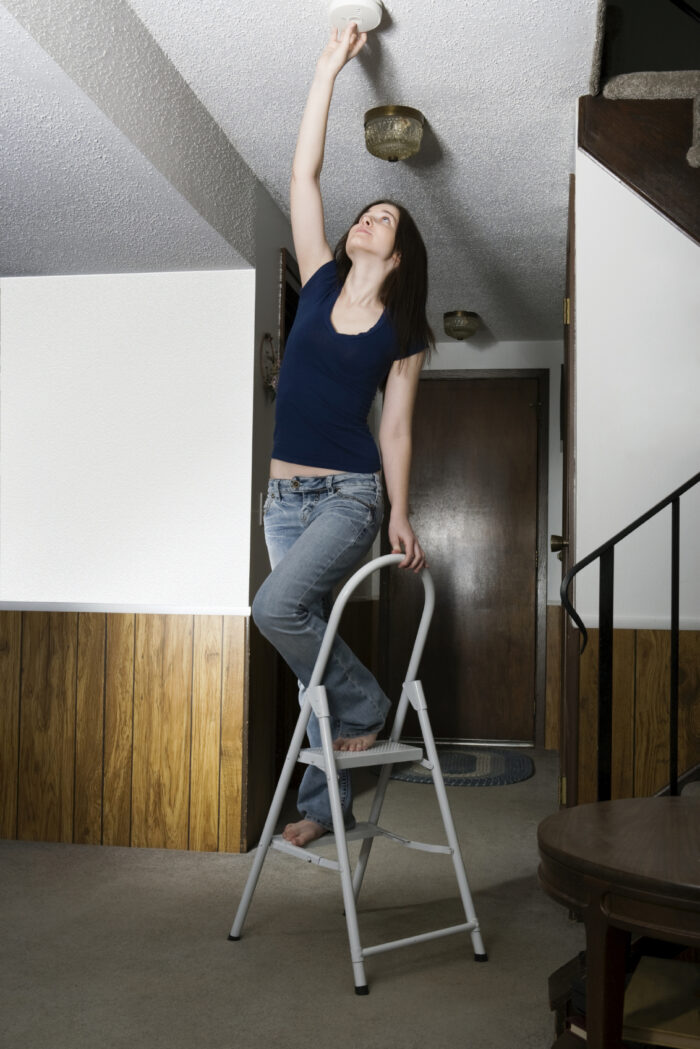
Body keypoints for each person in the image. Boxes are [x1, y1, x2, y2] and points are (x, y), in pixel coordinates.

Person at [252, 21, 434, 848]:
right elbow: (304, 171)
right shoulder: (320, 278)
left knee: (276, 608)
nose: (367, 219)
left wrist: (399, 512)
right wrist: (327, 68)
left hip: (348, 494)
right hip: (283, 497)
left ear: (398, 256)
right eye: (366, 213)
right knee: (306, 645)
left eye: (383, 218)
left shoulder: (405, 333)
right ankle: (327, 809)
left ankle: (366, 705)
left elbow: (394, 430)